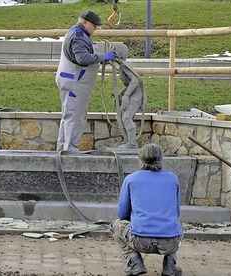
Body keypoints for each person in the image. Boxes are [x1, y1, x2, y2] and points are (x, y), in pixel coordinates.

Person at [112, 143, 183, 276]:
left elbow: (122, 214)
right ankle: (170, 264)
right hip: (170, 241)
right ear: (161, 158)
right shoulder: (173, 179)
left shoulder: (131, 179)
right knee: (178, 224)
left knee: (116, 225)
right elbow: (176, 212)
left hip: (140, 240)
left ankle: (134, 261)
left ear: (141, 159)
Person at [56, 10, 116, 152]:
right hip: (75, 82)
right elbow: (82, 58)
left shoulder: (78, 33)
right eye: (93, 25)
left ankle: (62, 149)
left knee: (69, 116)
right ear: (84, 22)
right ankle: (69, 151)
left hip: (73, 81)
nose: (95, 28)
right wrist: (103, 57)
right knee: (74, 117)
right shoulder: (78, 36)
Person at [113, 49, 146, 149]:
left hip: (136, 96)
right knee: (120, 115)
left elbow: (135, 81)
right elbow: (128, 84)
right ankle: (127, 139)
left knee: (126, 117)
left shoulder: (124, 66)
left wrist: (126, 95)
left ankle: (132, 143)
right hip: (131, 94)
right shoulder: (122, 66)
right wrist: (121, 94)